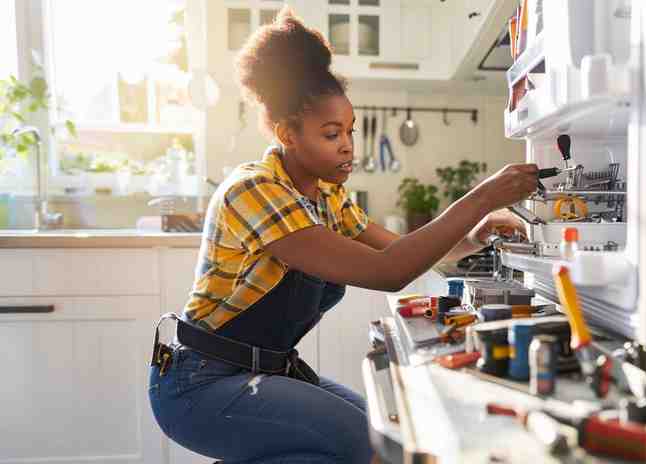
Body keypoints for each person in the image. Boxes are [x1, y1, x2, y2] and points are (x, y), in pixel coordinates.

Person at [148, 7, 539, 464]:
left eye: (350, 131)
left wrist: (473, 234)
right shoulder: (254, 190)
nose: (348, 145)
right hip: (200, 386)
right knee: (366, 449)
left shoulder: (327, 197)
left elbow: (399, 249)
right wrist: (482, 197)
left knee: (381, 438)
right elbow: (390, 272)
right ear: (286, 134)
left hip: (262, 371)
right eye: (331, 133)